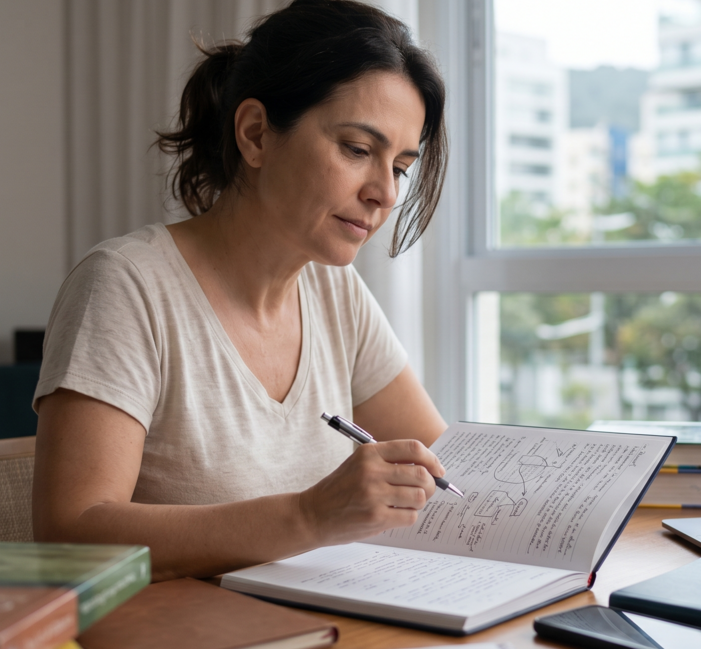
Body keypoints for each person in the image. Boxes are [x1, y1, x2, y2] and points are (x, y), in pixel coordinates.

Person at [31, 0, 450, 582]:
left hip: (323, 634)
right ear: (255, 135)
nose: (384, 192)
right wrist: (309, 514)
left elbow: (441, 463)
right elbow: (69, 535)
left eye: (401, 167)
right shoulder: (127, 285)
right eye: (358, 150)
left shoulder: (335, 292)